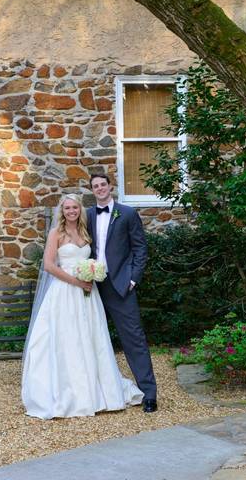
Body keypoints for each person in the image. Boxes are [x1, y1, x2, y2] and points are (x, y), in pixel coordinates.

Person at [20, 194, 143, 419]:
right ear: (62, 211)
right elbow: (48, 265)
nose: (71, 211)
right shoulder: (56, 233)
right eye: (67, 208)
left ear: (80, 209)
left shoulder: (86, 232)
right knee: (67, 339)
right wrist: (77, 281)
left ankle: (97, 390)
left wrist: (94, 273)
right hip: (65, 292)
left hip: (88, 294)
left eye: (75, 207)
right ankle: (71, 394)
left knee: (90, 337)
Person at [86, 173, 158, 413]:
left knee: (134, 339)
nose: (100, 189)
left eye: (103, 184)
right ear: (92, 190)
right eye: (95, 186)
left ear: (110, 187)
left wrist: (133, 279)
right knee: (88, 339)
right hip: (92, 286)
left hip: (120, 286)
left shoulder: (127, 213)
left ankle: (149, 394)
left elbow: (140, 248)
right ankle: (91, 394)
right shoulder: (86, 215)